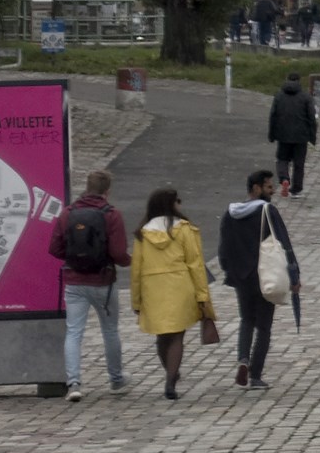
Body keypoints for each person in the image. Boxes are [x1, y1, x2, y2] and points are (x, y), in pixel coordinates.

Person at [216, 170, 300, 391]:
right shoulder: (267, 211)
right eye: (268, 186)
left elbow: (223, 248)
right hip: (265, 275)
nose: (272, 191)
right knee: (263, 326)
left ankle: (243, 359)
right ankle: (255, 375)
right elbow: (284, 242)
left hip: (241, 277)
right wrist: (294, 275)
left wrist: (229, 271)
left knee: (246, 320)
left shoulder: (230, 213)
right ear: (256, 188)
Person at [129, 186, 214, 400]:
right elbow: (195, 264)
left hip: (153, 289)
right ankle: (170, 379)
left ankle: (170, 372)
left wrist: (136, 300)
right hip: (180, 286)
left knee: (162, 336)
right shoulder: (185, 230)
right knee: (177, 336)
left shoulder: (142, 234)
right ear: (172, 204)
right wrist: (203, 296)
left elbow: (136, 270)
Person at [50, 168, 129, 400]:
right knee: (110, 330)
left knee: (74, 332)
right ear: (107, 191)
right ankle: (116, 379)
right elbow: (118, 253)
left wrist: (75, 258)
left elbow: (54, 248)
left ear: (87, 187)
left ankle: (73, 383)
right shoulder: (111, 214)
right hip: (103, 282)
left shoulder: (68, 213)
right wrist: (129, 261)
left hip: (74, 282)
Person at [268, 73, 319, 197]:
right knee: (299, 163)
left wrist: (272, 134)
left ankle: (284, 178)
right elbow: (312, 118)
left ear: (286, 80)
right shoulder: (306, 97)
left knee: (282, 159)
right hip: (301, 136)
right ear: (299, 81)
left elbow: (273, 116)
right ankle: (296, 189)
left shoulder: (279, 96)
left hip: (283, 134)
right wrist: (312, 136)